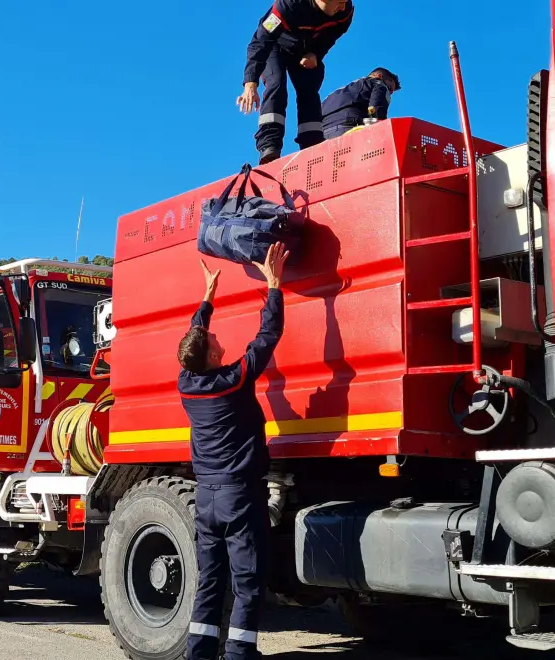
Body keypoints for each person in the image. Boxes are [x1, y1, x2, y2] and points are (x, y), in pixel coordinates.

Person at [177, 243, 289, 660]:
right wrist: (274, 286)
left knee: (210, 578)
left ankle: (199, 653)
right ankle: (240, 653)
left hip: (206, 498)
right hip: (239, 497)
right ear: (212, 356)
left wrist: (208, 296)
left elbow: (193, 338)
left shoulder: (187, 384)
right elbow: (267, 337)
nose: (214, 337)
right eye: (211, 340)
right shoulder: (232, 379)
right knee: (247, 578)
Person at [238, 0, 356, 164]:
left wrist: (316, 53)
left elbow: (336, 31)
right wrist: (250, 82)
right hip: (275, 46)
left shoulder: (344, 11)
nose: (343, 6)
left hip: (305, 50)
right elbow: (261, 41)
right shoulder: (287, 6)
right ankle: (269, 147)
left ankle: (312, 146)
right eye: (340, 2)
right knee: (276, 84)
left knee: (309, 91)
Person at [318, 67, 402, 140]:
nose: (390, 92)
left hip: (322, 136)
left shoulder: (334, 94)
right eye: (390, 88)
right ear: (379, 76)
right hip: (349, 131)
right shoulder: (378, 83)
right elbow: (377, 112)